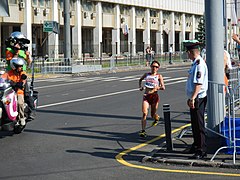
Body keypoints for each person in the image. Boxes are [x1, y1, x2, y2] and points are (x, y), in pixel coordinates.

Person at [185, 42, 208, 159]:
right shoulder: (195, 63)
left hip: (198, 97)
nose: (187, 55)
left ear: (190, 52)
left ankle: (202, 149)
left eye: (187, 53)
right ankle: (196, 145)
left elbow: (198, 83)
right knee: (194, 123)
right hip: (194, 97)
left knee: (199, 124)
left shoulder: (199, 64)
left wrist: (193, 98)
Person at [5, 31, 35, 121]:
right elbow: (11, 60)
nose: (20, 44)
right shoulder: (9, 50)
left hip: (22, 75)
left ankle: (31, 110)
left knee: (25, 93)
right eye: (18, 41)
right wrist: (16, 51)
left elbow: (29, 63)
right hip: (11, 75)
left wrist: (28, 56)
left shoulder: (23, 51)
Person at [138, 60, 165, 137]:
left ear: (158, 68)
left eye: (156, 67)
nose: (154, 68)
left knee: (152, 114)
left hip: (154, 97)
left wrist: (158, 88)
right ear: (150, 67)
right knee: (144, 113)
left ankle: (156, 118)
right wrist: (140, 87)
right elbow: (140, 80)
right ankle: (143, 131)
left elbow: (163, 87)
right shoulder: (146, 74)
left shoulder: (159, 76)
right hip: (146, 96)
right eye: (153, 66)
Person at [2, 58, 27, 126]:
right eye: (19, 66)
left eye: (21, 66)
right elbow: (2, 78)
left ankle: (21, 118)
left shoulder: (22, 73)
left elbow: (23, 81)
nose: (21, 68)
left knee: (20, 103)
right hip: (8, 91)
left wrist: (19, 83)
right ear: (14, 66)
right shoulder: (8, 73)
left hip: (18, 91)